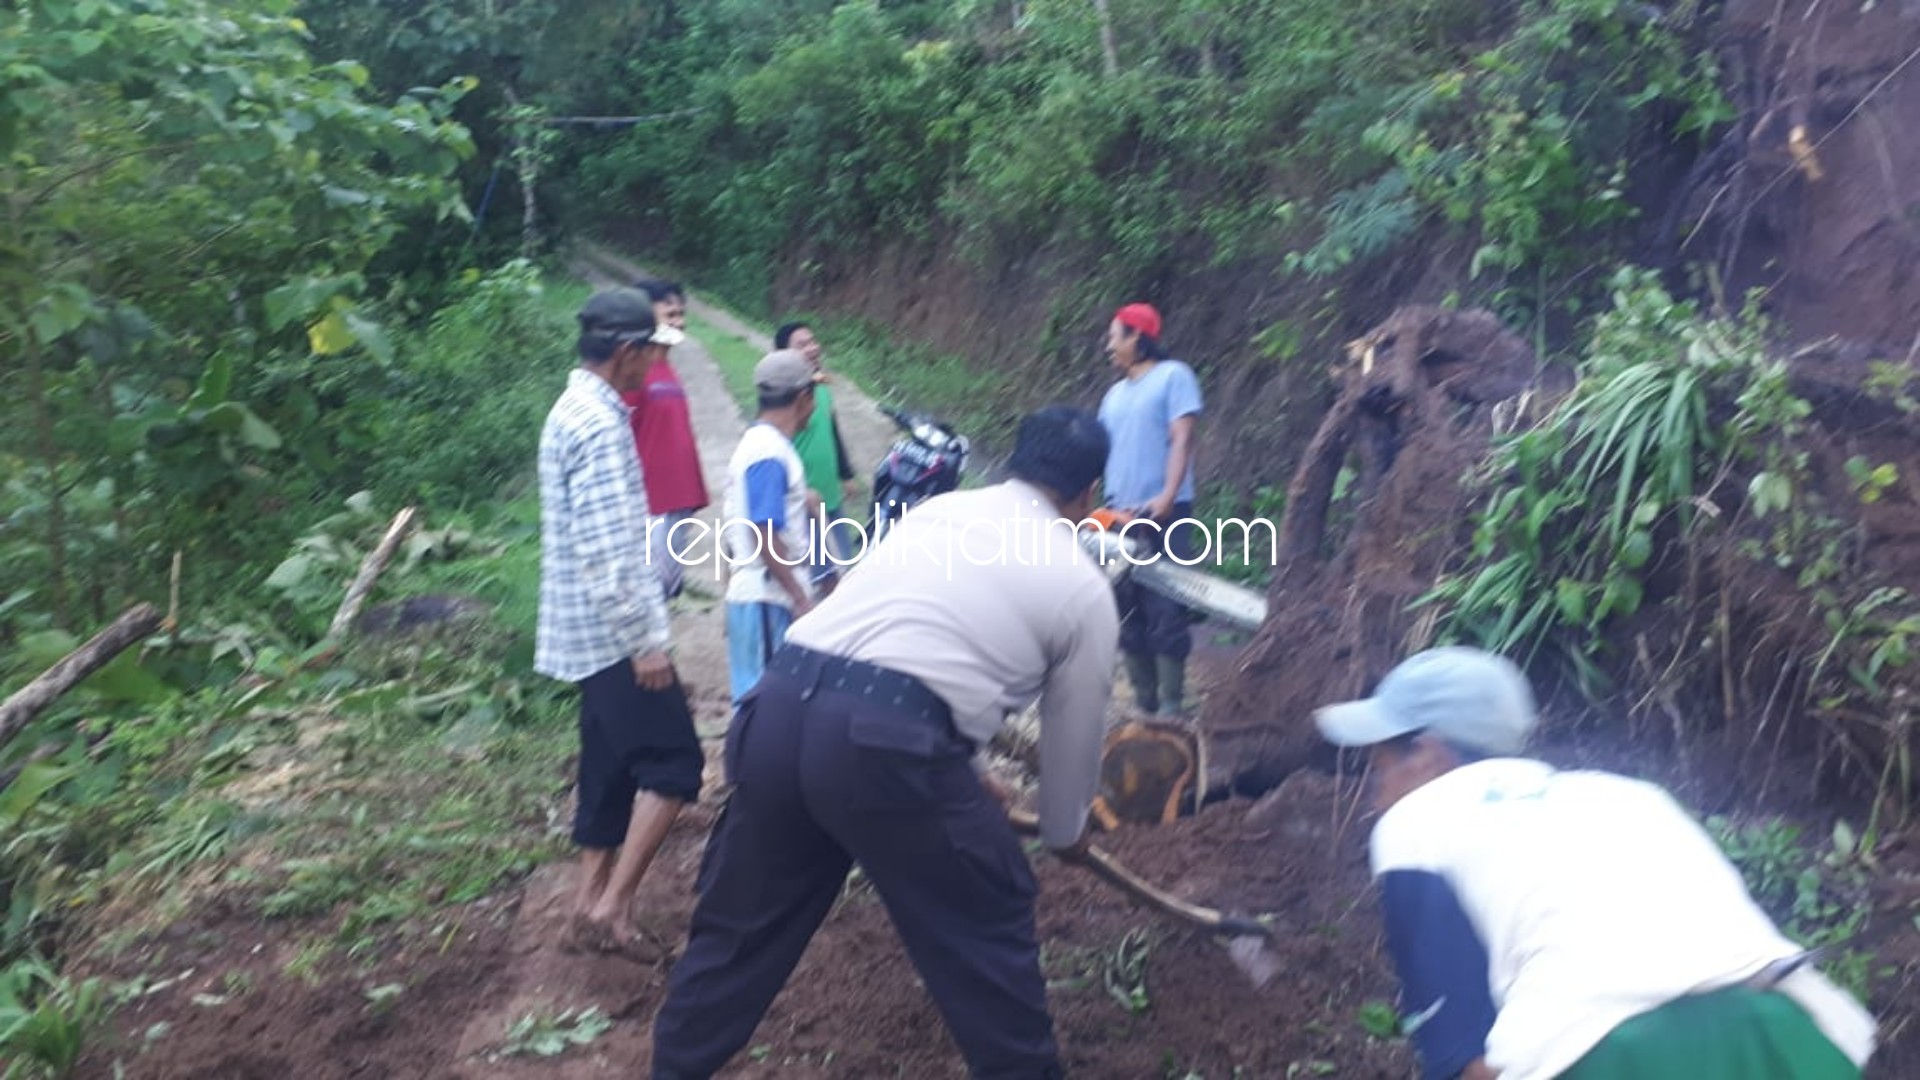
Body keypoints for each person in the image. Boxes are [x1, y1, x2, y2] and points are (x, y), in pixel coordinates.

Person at [650, 406, 1122, 1080]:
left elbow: (904, 636)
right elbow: (1067, 781)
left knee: (736, 938)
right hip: (884, 749)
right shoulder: (1083, 589)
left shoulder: (935, 514)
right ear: (1088, 495)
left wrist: (959, 764)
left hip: (777, 712)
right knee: (988, 916)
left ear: (1012, 463)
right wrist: (1067, 829)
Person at [1313, 646, 1878, 1080]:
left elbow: (1464, 1054)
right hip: (1785, 1037)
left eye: (1378, 765)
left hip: (1617, 1057)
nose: (1374, 791)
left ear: (1431, 756)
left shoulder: (1415, 825)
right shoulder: (1625, 795)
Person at [535, 287, 704, 956]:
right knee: (674, 764)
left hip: (582, 633)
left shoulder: (572, 408)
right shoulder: (602, 426)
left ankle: (585, 903)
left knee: (606, 768)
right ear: (628, 352)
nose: (655, 366)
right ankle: (611, 907)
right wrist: (646, 643)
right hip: (612, 636)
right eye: (652, 353)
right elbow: (610, 554)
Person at [1097, 301, 1203, 720]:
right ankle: (1144, 702)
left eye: (1114, 337)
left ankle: (1173, 707)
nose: (1108, 346)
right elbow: (1102, 453)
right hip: (1118, 516)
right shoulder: (1113, 396)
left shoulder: (1174, 377)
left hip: (1165, 511)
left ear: (1136, 336)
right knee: (1126, 608)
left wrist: (1166, 496)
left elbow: (1182, 438)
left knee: (1165, 605)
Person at [719, 349, 820, 706]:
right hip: (768, 596)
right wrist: (799, 597)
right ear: (803, 398)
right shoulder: (769, 453)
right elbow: (764, 532)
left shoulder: (757, 445)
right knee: (765, 706)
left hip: (755, 593)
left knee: (758, 703)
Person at [622, 278, 707, 600]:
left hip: (677, 498)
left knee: (668, 590)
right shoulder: (633, 373)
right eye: (670, 314)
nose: (679, 322)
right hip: (649, 502)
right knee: (649, 591)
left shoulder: (668, 369)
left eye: (681, 314)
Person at [776, 319, 860, 593]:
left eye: (813, 342)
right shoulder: (784, 397)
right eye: (802, 345)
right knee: (819, 577)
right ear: (784, 355)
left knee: (842, 568)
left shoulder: (821, 386)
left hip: (830, 497)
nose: (813, 348)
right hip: (803, 499)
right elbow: (776, 447)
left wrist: (846, 475)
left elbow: (832, 430)